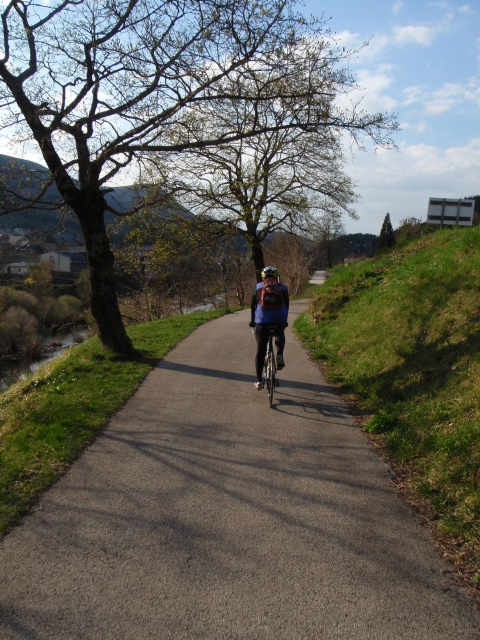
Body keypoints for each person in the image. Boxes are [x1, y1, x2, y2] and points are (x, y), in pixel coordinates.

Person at [249, 266, 289, 390]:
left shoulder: (258, 287)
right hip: (279, 319)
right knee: (279, 333)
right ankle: (279, 355)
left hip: (262, 321)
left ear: (263, 277)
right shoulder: (283, 287)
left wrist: (253, 321)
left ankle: (259, 381)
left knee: (260, 350)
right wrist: (284, 321)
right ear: (277, 276)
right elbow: (286, 305)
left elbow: (253, 306)